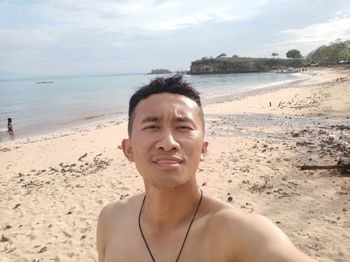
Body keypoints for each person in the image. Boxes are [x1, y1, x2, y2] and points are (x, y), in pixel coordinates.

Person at [97, 75, 317, 262]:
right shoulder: (112, 220)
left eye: (183, 127)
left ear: (203, 149)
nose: (168, 142)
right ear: (128, 149)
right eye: (152, 126)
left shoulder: (239, 232)